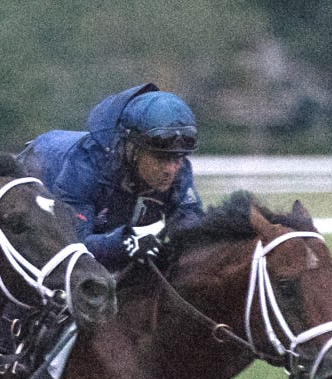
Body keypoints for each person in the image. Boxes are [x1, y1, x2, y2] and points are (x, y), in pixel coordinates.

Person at [15, 83, 203, 274]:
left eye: (178, 157)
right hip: (37, 177)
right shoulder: (82, 166)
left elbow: (191, 224)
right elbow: (74, 244)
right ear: (132, 149)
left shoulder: (180, 169)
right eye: (160, 158)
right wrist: (126, 243)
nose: (171, 170)